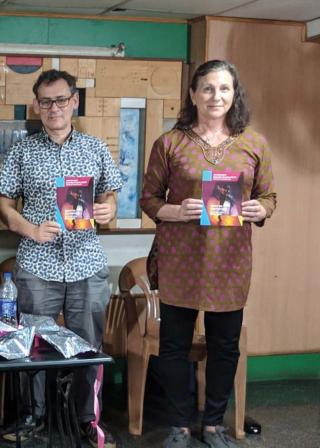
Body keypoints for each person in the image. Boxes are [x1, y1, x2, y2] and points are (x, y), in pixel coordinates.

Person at [140, 60, 276, 448]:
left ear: (234, 95)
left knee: (224, 345)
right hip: (181, 259)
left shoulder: (254, 143)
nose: (216, 96)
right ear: (193, 95)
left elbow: (269, 197)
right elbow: (149, 200)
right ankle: (180, 425)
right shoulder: (170, 143)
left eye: (224, 89)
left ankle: (213, 424)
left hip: (230, 261)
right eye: (208, 89)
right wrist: (175, 211)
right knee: (173, 346)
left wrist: (260, 209)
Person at [0, 69, 121, 448]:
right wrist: (29, 229)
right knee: (32, 345)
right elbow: (4, 206)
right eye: (46, 101)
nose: (54, 108)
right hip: (37, 264)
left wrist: (108, 210)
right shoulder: (22, 150)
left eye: (61, 100)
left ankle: (86, 420)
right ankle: (35, 417)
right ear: (36, 105)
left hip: (86, 263)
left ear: (74, 101)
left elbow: (111, 197)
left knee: (88, 346)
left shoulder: (96, 148)